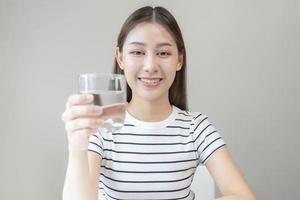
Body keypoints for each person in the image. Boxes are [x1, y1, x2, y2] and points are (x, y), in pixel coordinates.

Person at [61, 6, 256, 200]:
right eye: (137, 52)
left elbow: (243, 196)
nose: (150, 66)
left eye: (163, 53)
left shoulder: (196, 128)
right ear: (120, 58)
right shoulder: (102, 125)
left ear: (179, 60)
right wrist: (77, 148)